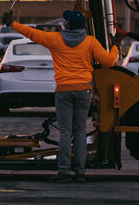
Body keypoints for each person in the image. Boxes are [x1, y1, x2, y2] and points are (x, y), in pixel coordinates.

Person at [10, 10, 123, 183]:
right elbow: (108, 62)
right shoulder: (90, 42)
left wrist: (13, 23)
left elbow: (32, 34)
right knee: (80, 131)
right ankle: (80, 173)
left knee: (65, 132)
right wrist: (115, 46)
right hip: (84, 90)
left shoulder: (55, 39)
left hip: (64, 90)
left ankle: (63, 172)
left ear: (68, 25)